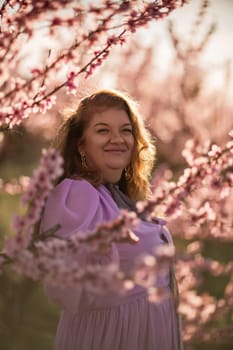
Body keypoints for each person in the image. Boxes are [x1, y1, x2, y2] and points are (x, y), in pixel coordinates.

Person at [40, 89, 183, 350]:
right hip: (110, 337)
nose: (117, 139)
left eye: (126, 130)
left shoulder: (122, 197)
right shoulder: (77, 191)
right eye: (103, 130)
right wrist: (97, 251)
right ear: (81, 144)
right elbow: (59, 282)